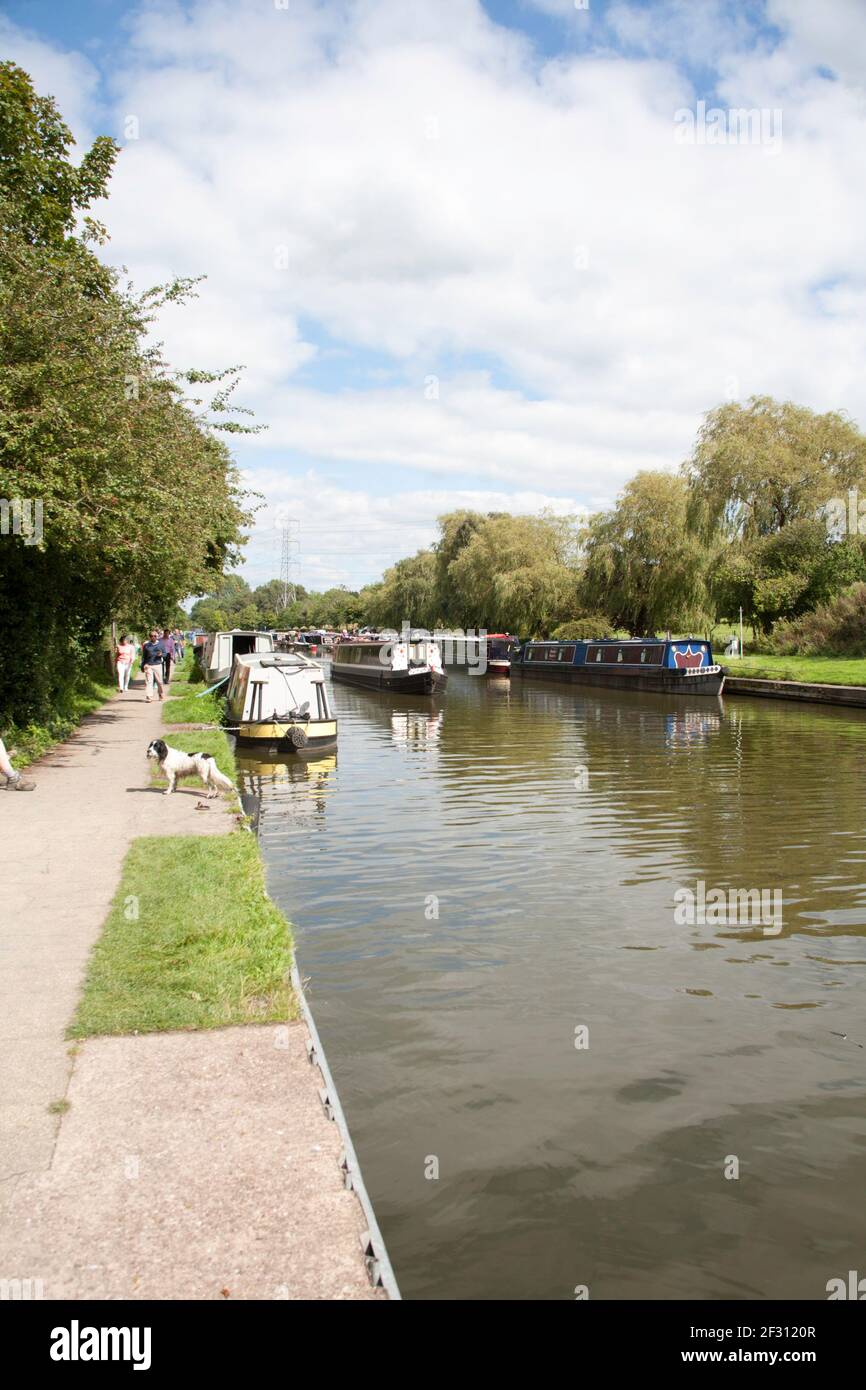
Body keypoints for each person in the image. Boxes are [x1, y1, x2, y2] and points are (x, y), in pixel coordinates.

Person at [141, 630, 166, 702]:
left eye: (155, 636)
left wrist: (161, 654)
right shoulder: (146, 645)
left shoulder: (161, 644)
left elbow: (165, 654)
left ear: (157, 636)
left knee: (159, 682)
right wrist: (143, 665)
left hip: (158, 665)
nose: (153, 637)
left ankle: (161, 694)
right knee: (149, 681)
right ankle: (149, 697)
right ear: (149, 637)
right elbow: (144, 656)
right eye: (151, 636)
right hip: (148, 665)